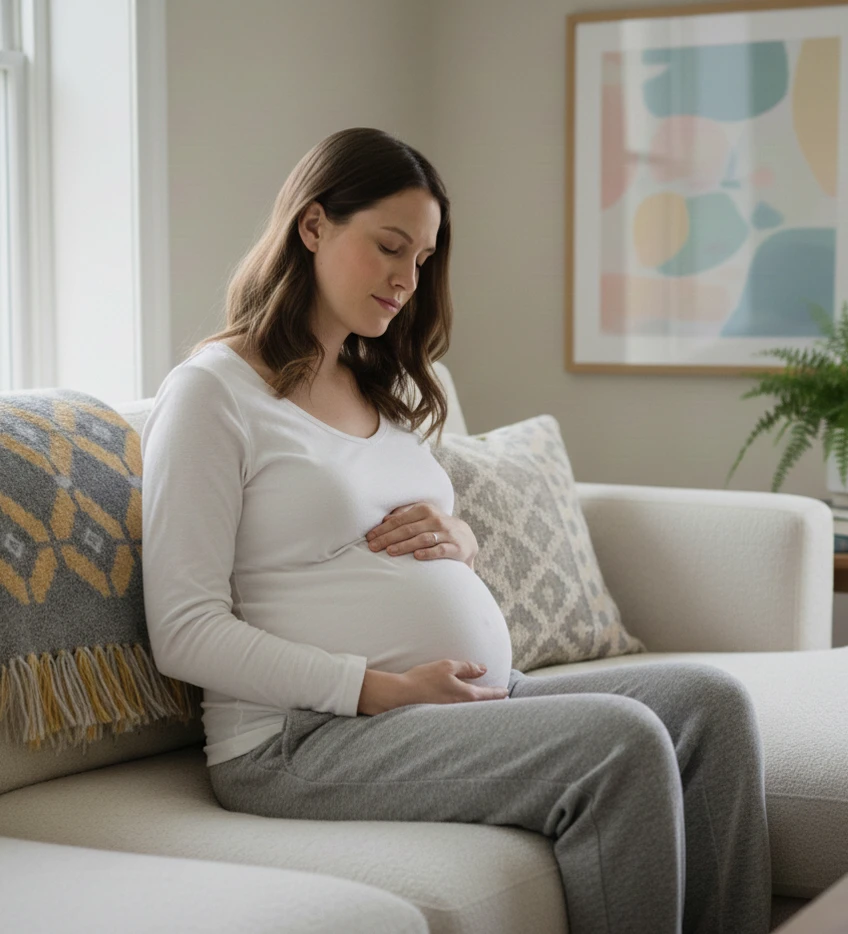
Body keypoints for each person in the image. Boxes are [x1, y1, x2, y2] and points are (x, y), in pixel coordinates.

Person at [140, 127, 772, 934]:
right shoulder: (212, 394)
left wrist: (460, 540)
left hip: (450, 703)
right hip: (300, 741)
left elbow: (383, 522)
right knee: (620, 742)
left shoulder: (375, 378)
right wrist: (380, 689)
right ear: (313, 227)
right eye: (389, 247)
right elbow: (184, 632)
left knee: (710, 703)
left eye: (424, 257)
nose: (408, 278)